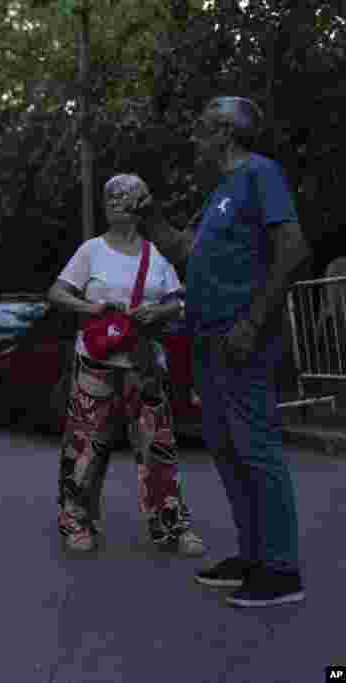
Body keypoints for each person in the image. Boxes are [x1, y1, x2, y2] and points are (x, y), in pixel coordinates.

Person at [134, 96, 311, 607]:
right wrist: (153, 219)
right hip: (207, 340)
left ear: (224, 132)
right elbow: (187, 250)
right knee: (227, 448)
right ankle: (253, 555)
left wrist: (253, 322)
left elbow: (293, 248)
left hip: (241, 339)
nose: (194, 137)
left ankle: (281, 571)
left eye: (200, 128)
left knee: (255, 448)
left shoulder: (261, 174)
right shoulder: (219, 193)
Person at [47, 173, 206, 556]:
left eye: (127, 196)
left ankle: (171, 526)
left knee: (157, 445)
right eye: (111, 197)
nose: (118, 203)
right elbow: (56, 293)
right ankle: (76, 522)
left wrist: (159, 312)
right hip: (96, 360)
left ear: (141, 205)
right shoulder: (91, 251)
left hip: (144, 361)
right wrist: (91, 307)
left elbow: (178, 300)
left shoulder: (156, 254)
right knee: (86, 444)